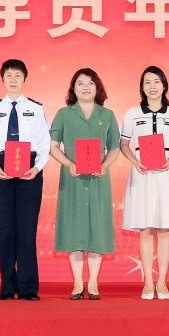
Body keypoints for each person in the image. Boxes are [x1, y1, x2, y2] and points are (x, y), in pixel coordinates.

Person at [0, 59, 52, 300]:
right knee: (5, 229)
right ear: (2, 79)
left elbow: (44, 144)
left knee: (27, 229)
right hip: (0, 171)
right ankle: (7, 287)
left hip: (30, 171)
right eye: (9, 75)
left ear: (24, 79)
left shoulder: (36, 108)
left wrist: (37, 167)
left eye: (17, 75)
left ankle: (28, 287)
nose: (13, 79)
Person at [49, 68, 120, 300]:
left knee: (97, 228)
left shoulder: (107, 115)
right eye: (80, 83)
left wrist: (105, 165)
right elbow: (53, 146)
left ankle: (94, 282)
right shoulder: (64, 114)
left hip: (99, 180)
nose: (86, 87)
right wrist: (69, 164)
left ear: (97, 87)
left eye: (90, 83)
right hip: (72, 180)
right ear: (73, 88)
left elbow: (115, 147)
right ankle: (78, 283)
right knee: (74, 228)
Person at [119, 66, 169, 300]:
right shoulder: (132, 113)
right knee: (145, 229)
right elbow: (124, 144)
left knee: (165, 228)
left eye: (156, 81)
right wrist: (134, 161)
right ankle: (148, 281)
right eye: (147, 82)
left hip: (166, 174)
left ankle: (162, 281)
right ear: (142, 87)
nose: (152, 86)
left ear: (164, 85)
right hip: (142, 173)